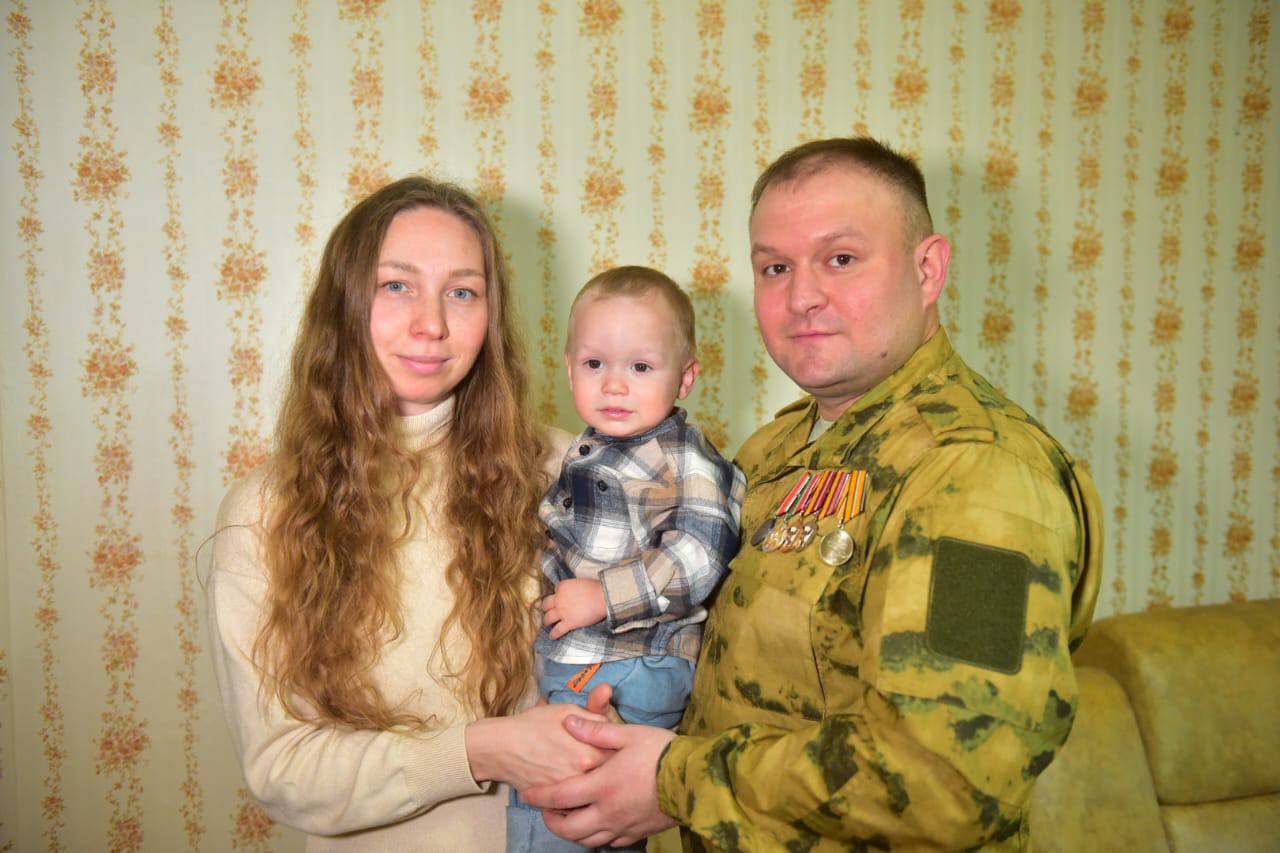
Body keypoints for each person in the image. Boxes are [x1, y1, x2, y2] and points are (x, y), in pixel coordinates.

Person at [521, 137, 1103, 850]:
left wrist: (674, 778)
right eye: (776, 267)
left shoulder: (977, 474)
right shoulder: (773, 451)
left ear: (928, 269)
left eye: (841, 258)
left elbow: (949, 776)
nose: (802, 297)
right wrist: (632, 719)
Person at [207, 176, 612, 852]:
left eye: (462, 292)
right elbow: (282, 769)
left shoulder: (573, 472)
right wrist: (479, 751)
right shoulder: (264, 513)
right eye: (396, 285)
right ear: (344, 303)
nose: (432, 324)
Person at [507, 266, 745, 852]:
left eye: (640, 367)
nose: (615, 385)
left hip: (632, 658)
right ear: (569, 368)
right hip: (587, 658)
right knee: (560, 803)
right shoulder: (592, 448)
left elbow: (699, 555)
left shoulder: (682, 459)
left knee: (561, 807)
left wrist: (604, 596)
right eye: (595, 364)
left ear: (685, 377)